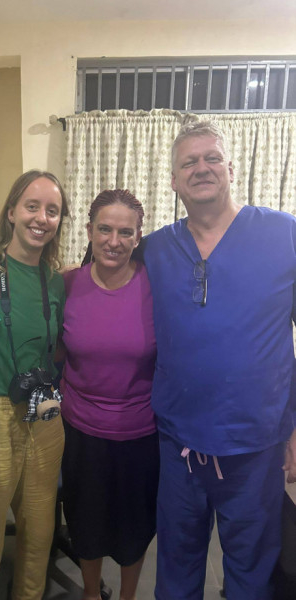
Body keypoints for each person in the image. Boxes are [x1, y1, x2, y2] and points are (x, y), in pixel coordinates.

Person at [143, 120, 296, 600]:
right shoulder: (156, 248)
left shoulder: (284, 235)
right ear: (173, 180)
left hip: (257, 443)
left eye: (212, 158)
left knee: (251, 571)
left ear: (232, 168)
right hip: (179, 441)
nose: (202, 168)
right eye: (189, 162)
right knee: (176, 566)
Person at [0, 170, 69, 600]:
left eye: (52, 211)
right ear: (11, 212)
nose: (42, 218)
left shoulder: (55, 280)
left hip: (44, 413)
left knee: (39, 535)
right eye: (32, 206)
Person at [60, 189, 159, 600]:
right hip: (80, 433)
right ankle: (90, 592)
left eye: (125, 232)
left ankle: (127, 596)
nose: (113, 241)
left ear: (138, 237)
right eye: (104, 229)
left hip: (141, 435)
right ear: (89, 231)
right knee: (85, 524)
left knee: (135, 528)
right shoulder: (67, 284)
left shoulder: (157, 288)